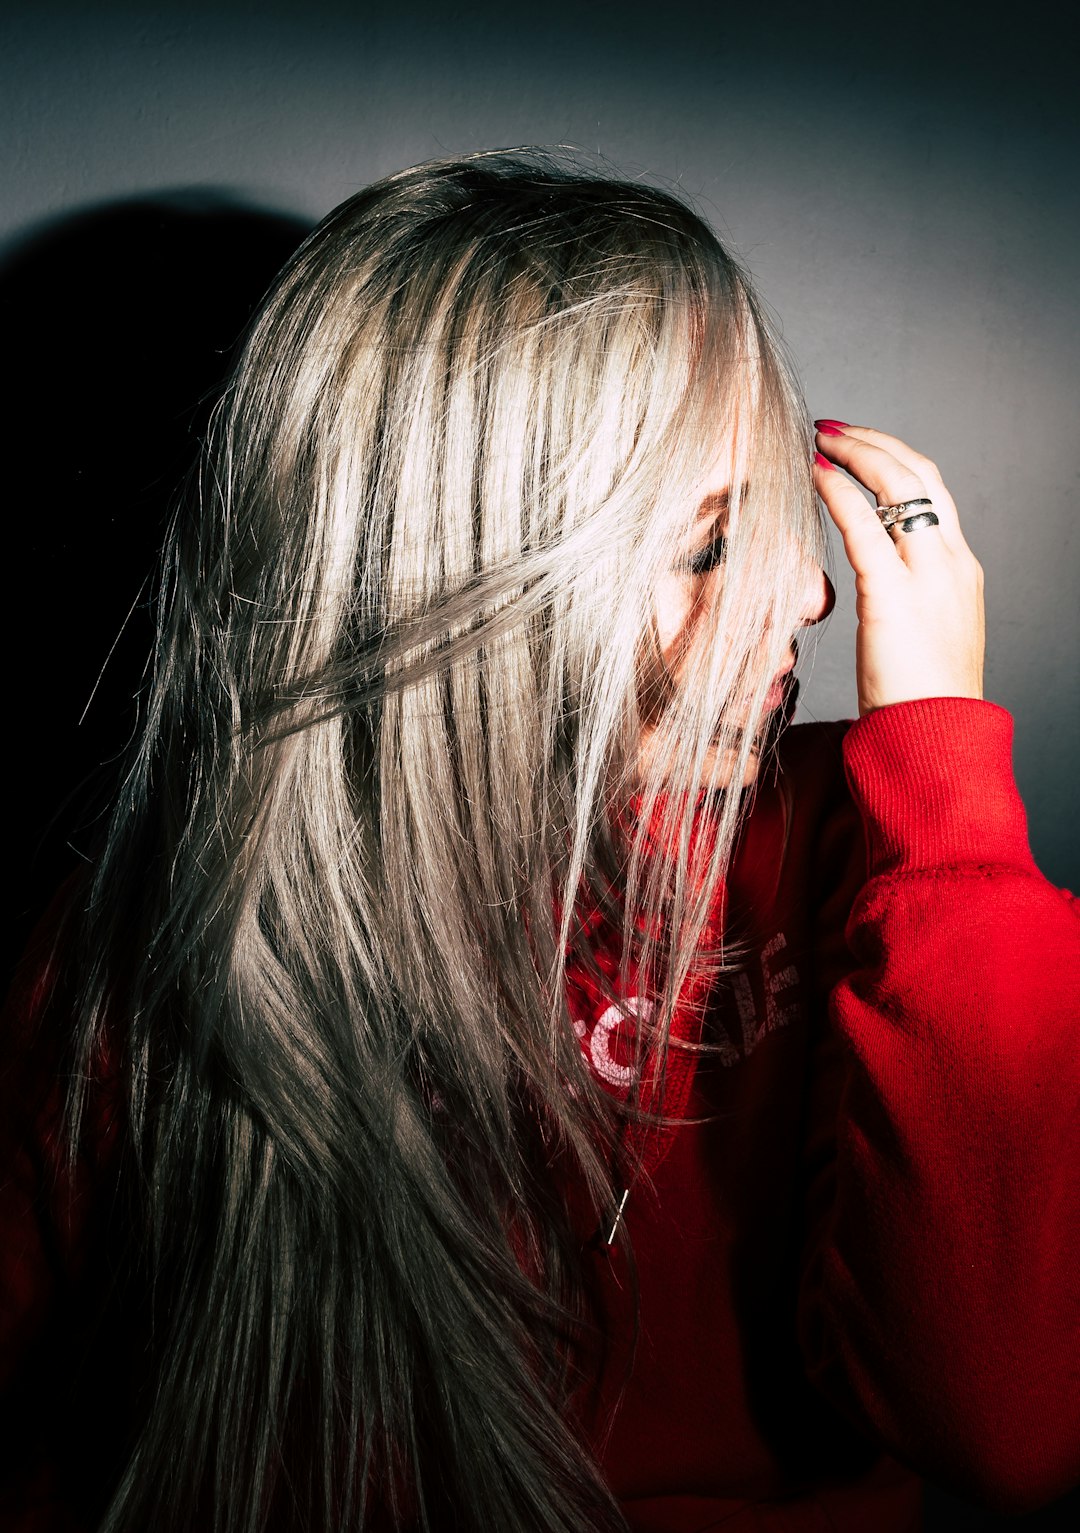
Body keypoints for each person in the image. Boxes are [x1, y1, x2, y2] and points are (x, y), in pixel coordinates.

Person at [1, 148, 1078, 1533]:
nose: (810, 590)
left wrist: (941, 755)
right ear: (475, 584)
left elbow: (1008, 1418)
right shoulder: (143, 957)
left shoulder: (861, 850)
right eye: (709, 548)